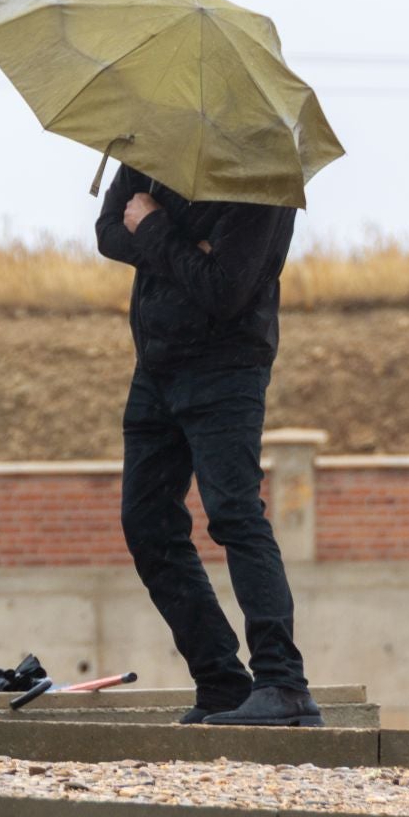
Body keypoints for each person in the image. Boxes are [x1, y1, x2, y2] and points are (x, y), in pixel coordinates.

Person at [95, 162, 321, 727]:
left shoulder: (262, 174)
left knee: (235, 516)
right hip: (156, 366)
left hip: (227, 367)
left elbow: (225, 289)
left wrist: (153, 228)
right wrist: (186, 250)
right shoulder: (153, 144)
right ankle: (220, 682)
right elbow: (107, 233)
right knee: (146, 524)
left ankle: (283, 684)